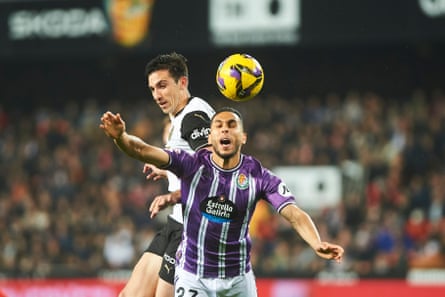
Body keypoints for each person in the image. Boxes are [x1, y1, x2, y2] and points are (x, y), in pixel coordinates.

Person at [100, 106, 344, 297]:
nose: (225, 130)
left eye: (231, 125)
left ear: (243, 137)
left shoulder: (258, 176)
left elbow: (293, 213)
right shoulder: (191, 164)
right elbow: (142, 150)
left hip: (238, 280)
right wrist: (120, 137)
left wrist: (316, 242)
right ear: (211, 135)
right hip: (193, 276)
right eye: (218, 125)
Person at [118, 52, 215, 297]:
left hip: (193, 231)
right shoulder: (182, 117)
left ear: (182, 82)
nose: (157, 95)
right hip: (176, 223)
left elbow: (215, 176)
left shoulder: (193, 118)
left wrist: (172, 196)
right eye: (152, 89)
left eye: (162, 85)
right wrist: (168, 171)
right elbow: (193, 164)